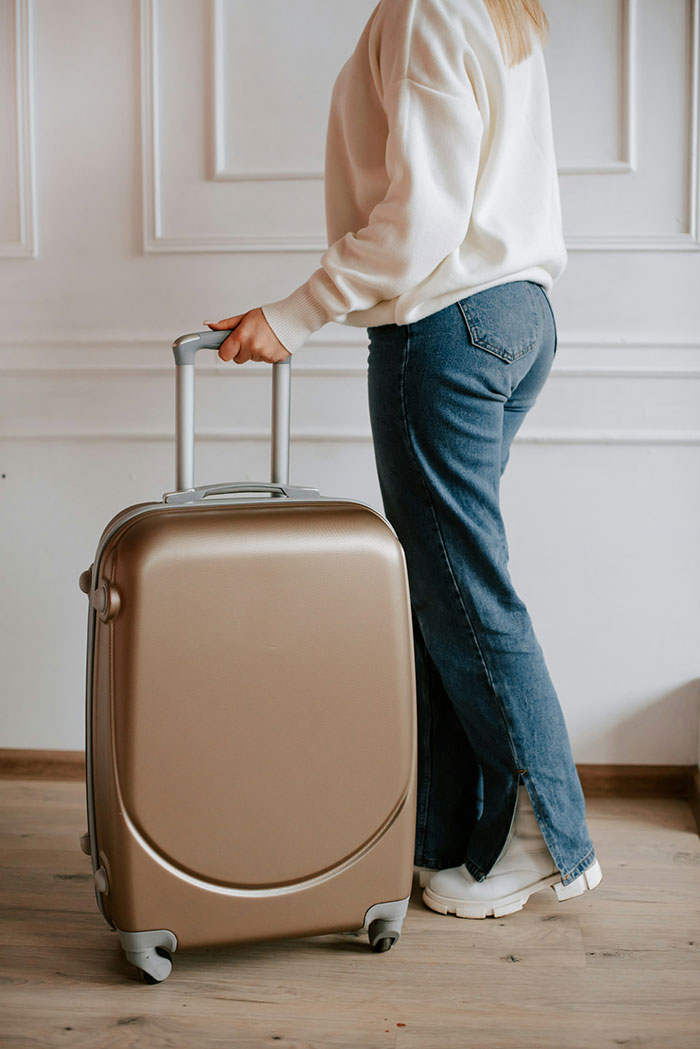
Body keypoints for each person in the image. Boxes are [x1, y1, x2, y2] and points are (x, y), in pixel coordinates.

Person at [205, 0, 602, 919]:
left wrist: (295, 313)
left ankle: (549, 834)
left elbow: (422, 219)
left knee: (463, 588)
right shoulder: (489, 7)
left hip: (451, 322)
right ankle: (459, 840)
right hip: (519, 313)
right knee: (443, 586)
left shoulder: (426, 7)